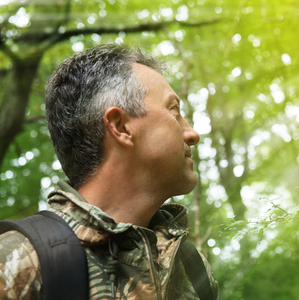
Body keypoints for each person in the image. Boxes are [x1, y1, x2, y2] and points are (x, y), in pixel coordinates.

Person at [0, 44, 219, 299]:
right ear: (121, 127)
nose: (192, 134)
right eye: (173, 111)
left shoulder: (193, 268)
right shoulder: (14, 264)